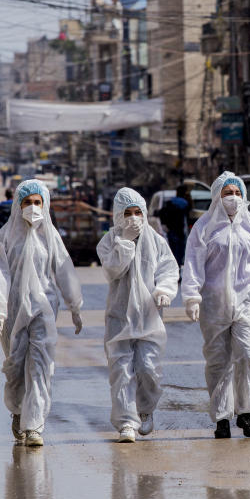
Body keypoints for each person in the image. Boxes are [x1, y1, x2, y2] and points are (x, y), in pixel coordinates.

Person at [182, 172, 250, 439]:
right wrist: (192, 296)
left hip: (246, 303)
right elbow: (193, 263)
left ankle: (247, 412)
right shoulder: (203, 227)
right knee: (218, 361)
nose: (233, 198)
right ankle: (221, 418)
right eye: (228, 193)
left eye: (237, 193)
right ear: (217, 196)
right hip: (213, 305)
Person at [0, 179, 83, 447]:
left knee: (40, 367)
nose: (32, 207)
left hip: (44, 310)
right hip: (12, 310)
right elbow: (0, 274)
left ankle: (34, 426)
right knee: (15, 367)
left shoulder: (52, 238)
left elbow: (65, 271)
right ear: (18, 206)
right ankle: (18, 411)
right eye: (27, 203)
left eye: (37, 203)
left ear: (45, 205)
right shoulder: (3, 238)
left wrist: (75, 306)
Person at [96, 188, 180, 443]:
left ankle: (146, 411)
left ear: (144, 213)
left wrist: (164, 290)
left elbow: (168, 268)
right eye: (127, 213)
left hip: (149, 316)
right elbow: (113, 271)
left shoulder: (155, 240)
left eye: (137, 213)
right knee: (121, 371)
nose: (133, 218)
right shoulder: (109, 241)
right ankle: (126, 424)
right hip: (119, 317)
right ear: (117, 216)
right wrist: (125, 244)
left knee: (148, 369)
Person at [156, 186, 190, 265]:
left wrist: (164, 225)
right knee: (180, 252)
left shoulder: (170, 202)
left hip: (171, 230)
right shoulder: (184, 203)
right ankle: (178, 267)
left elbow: (161, 213)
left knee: (173, 251)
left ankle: (174, 267)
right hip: (180, 231)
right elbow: (188, 216)